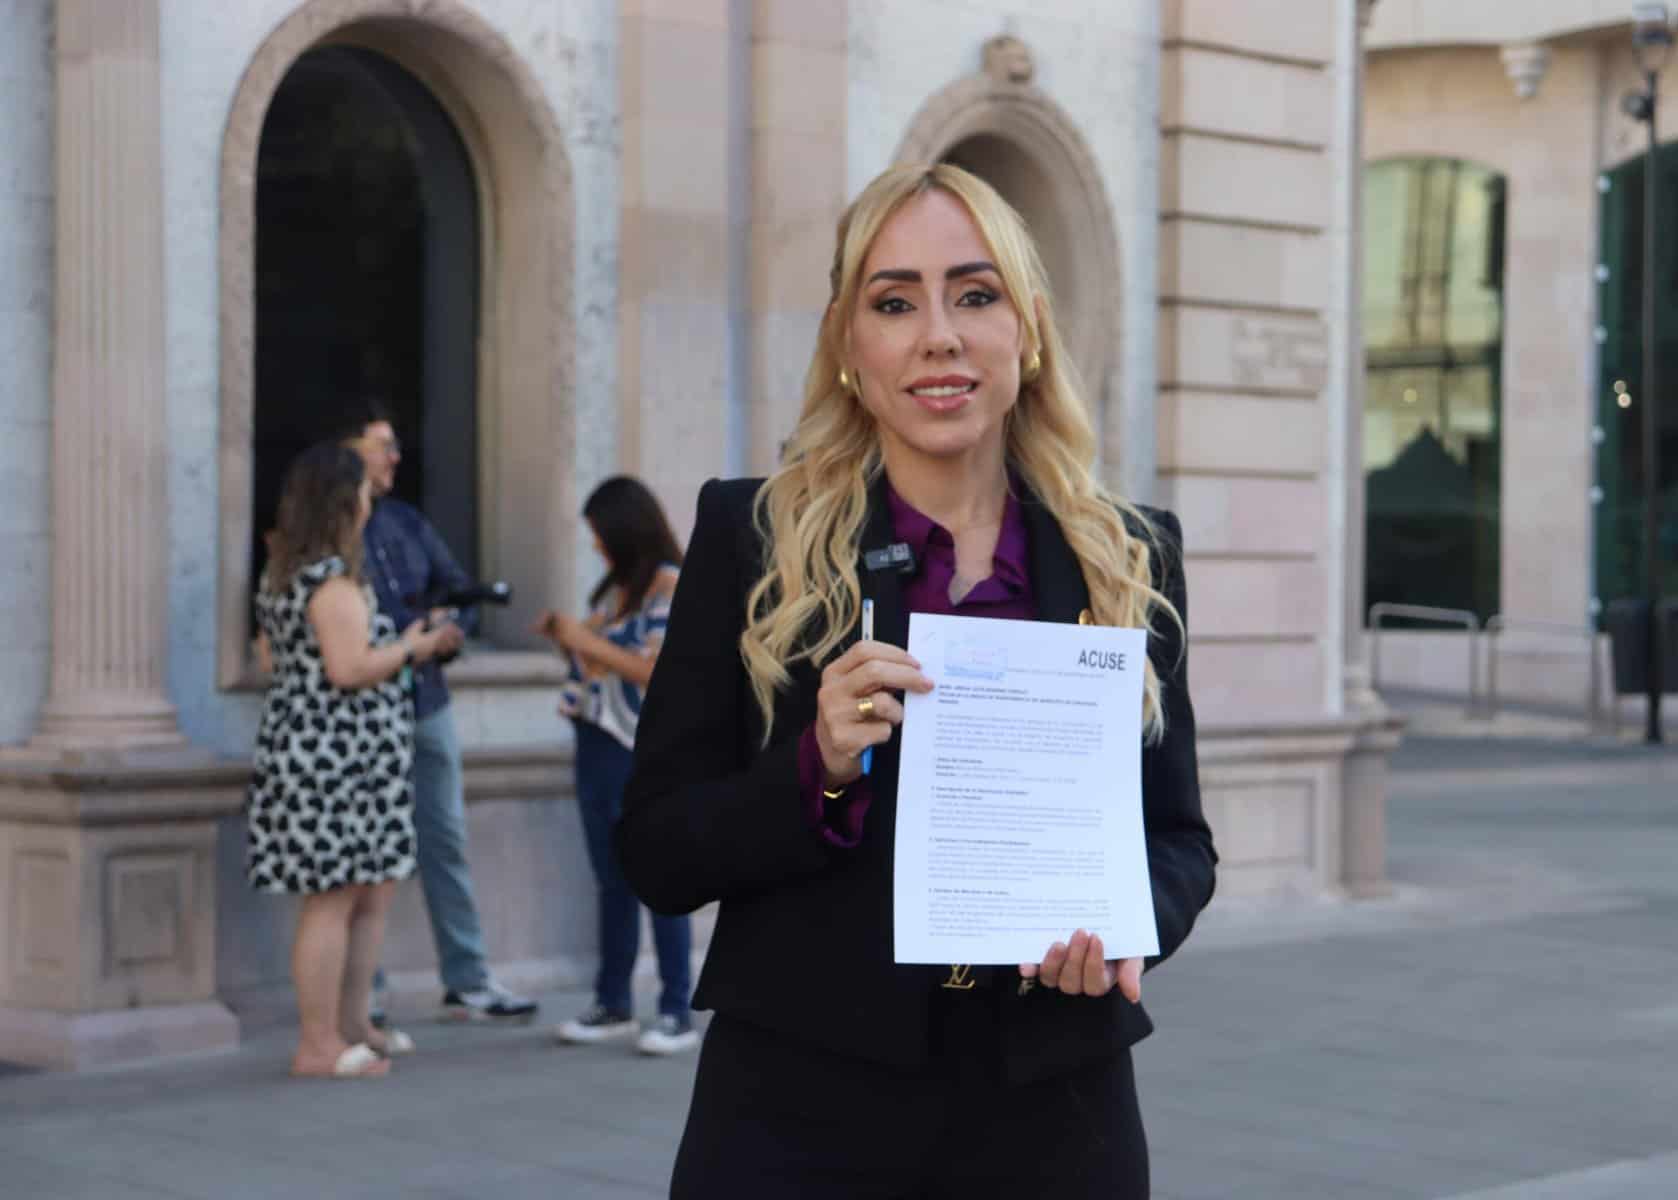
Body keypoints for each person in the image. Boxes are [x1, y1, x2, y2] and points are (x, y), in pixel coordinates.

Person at [616, 163, 1218, 1197]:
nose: (939, 335)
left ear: (1028, 330)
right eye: (895, 303)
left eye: (975, 295)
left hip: (1056, 1117)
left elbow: (1178, 839)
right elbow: (656, 851)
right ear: (849, 345)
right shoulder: (751, 539)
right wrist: (814, 766)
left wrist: (1127, 929)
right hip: (798, 1113)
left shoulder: (1128, 555)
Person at [248, 443, 462, 1079]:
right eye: (365, 490)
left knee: (367, 894)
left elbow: (271, 657)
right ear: (345, 502)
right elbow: (348, 668)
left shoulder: (287, 574)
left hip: (344, 757)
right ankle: (318, 1044)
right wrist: (415, 648)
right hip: (336, 761)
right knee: (334, 899)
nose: (372, 500)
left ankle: (352, 1026)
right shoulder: (330, 582)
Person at [336, 402, 538, 1024]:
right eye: (381, 445)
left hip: (426, 701)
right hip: (360, 714)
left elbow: (459, 590)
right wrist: (411, 634)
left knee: (445, 838)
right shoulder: (326, 531)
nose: (395, 457)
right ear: (348, 452)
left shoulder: (406, 522)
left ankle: (468, 980)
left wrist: (450, 627)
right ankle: (362, 995)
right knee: (362, 850)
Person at [531, 477, 696, 1055]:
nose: (596, 545)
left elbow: (657, 671)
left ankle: (676, 1010)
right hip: (594, 740)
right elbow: (596, 663)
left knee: (660, 875)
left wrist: (586, 640)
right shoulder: (617, 589)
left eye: (600, 533)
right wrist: (566, 638)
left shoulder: (669, 586)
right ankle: (614, 1003)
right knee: (611, 878)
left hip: (640, 747)